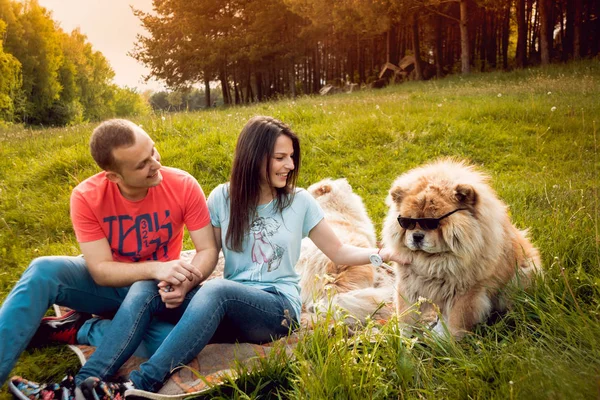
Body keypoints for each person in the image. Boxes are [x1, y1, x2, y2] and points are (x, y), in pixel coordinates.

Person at [13, 116, 407, 398]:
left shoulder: (300, 202)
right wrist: (177, 280)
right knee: (146, 286)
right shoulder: (222, 196)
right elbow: (210, 253)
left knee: (216, 290)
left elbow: (337, 251)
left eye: (291, 156)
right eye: (280, 157)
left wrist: (381, 255)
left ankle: (137, 387)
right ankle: (87, 384)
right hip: (226, 306)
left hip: (275, 308)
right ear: (254, 158)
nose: (290, 165)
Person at [1, 119, 218, 388]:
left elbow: (207, 250)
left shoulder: (183, 185)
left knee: (173, 344)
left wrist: (187, 282)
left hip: (154, 295)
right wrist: (155, 268)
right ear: (114, 176)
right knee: (42, 269)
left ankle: (80, 329)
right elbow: (101, 270)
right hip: (109, 288)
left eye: (153, 150)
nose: (157, 164)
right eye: (142, 164)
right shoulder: (86, 197)